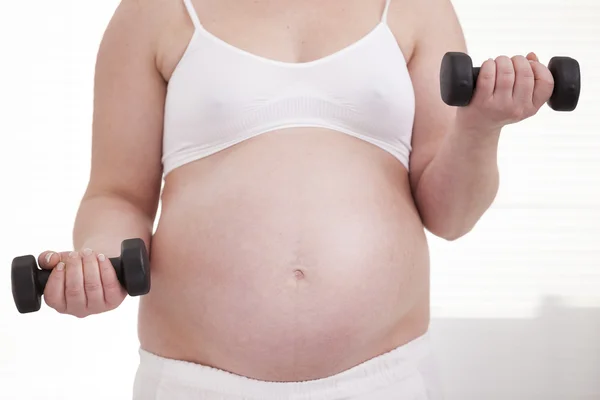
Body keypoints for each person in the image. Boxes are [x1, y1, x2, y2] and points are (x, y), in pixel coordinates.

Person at [36, 0, 555, 398]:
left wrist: (481, 125)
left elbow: (451, 217)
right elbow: (117, 194)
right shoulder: (155, 12)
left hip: (382, 381)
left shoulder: (417, 8)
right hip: (196, 383)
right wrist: (98, 265)